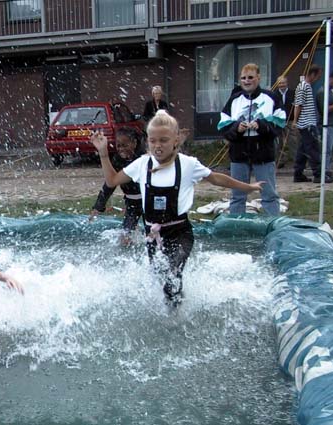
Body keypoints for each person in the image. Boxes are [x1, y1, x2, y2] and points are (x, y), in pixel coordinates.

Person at [94, 110, 263, 305]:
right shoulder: (141, 164)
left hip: (180, 232)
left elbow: (216, 178)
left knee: (172, 274)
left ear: (175, 140)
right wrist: (103, 153)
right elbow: (112, 179)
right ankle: (174, 308)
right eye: (153, 140)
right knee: (160, 279)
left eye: (164, 140)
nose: (158, 145)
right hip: (153, 234)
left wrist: (248, 187)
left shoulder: (188, 164)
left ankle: (178, 315)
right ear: (147, 141)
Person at [217, 63, 284, 216]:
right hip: (239, 154)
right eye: (243, 78)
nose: (247, 81)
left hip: (263, 154)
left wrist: (261, 125)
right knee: (237, 195)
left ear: (258, 78)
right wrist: (237, 129)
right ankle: (236, 226)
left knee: (269, 194)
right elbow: (223, 127)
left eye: (250, 77)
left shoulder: (271, 98)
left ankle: (272, 224)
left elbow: (280, 123)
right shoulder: (234, 100)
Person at [89, 127, 144, 245]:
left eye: (125, 145)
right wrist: (98, 207)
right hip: (132, 204)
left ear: (134, 143)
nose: (121, 149)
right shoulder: (117, 161)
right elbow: (109, 185)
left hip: (148, 202)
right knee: (125, 237)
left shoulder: (142, 159)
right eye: (118, 146)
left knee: (154, 233)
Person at [291, 65, 326, 183]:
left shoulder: (307, 87)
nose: (318, 78)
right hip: (307, 123)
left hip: (307, 122)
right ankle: (318, 174)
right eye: (318, 76)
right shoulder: (303, 86)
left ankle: (298, 173)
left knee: (302, 150)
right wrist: (295, 121)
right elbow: (298, 105)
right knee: (312, 149)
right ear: (312, 74)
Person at [316, 70, 333, 183]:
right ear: (332, 79)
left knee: (331, 149)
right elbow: (325, 110)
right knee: (326, 150)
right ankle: (324, 171)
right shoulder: (322, 92)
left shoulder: (331, 91)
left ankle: (328, 170)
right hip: (328, 125)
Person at [274, 75, 296, 168]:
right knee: (278, 141)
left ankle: (295, 160)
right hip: (278, 121)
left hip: (290, 120)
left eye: (283, 83)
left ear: (287, 83)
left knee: (293, 140)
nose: (282, 85)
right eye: (280, 83)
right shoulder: (274, 94)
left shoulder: (293, 93)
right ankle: (279, 161)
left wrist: (295, 119)